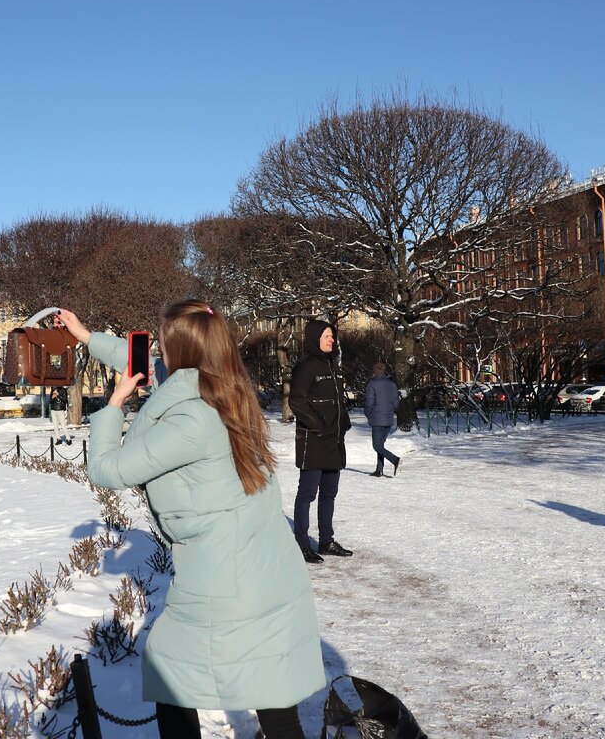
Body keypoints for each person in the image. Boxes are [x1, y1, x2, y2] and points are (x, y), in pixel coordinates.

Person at [55, 303, 324, 739]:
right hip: (265, 566)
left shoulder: (190, 419)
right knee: (270, 688)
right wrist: (86, 337)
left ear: (178, 349)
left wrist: (115, 403)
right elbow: (141, 362)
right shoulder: (226, 388)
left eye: (162, 340)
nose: (155, 349)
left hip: (225, 578)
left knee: (168, 671)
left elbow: (107, 470)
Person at [289, 320, 353, 564]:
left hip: (334, 442)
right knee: (307, 494)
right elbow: (297, 401)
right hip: (313, 440)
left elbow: (338, 403)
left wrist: (343, 423)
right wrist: (317, 425)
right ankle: (302, 544)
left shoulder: (334, 368)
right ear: (315, 337)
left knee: (329, 493)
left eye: (332, 336)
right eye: (327, 335)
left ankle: (326, 541)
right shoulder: (306, 367)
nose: (331, 339)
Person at [364, 362, 402, 477]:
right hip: (388, 419)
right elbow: (396, 404)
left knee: (377, 446)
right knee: (381, 445)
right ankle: (379, 469)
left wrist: (368, 413)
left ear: (375, 371)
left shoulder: (372, 384)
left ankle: (395, 460)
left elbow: (369, 402)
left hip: (377, 419)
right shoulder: (392, 384)